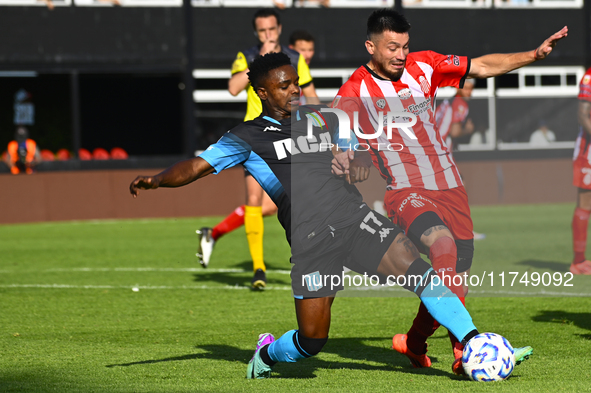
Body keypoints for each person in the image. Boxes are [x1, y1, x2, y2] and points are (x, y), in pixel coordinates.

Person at [130, 52, 507, 380]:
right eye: (284, 86)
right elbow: (196, 167)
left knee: (421, 272)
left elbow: (355, 151)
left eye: (296, 83)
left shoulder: (325, 118)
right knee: (312, 340)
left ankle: (475, 341)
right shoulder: (245, 138)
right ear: (262, 92)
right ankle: (268, 352)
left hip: (354, 219)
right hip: (312, 242)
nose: (294, 90)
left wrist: (356, 163)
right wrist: (157, 180)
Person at [331, 9, 563, 373]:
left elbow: (483, 66)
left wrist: (532, 56)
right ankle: (467, 351)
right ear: (370, 46)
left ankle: (414, 343)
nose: (400, 55)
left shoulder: (426, 65)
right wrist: (345, 154)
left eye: (405, 46)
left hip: (453, 188)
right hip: (406, 190)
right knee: (442, 246)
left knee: (454, 281)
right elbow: (336, 126)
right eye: (392, 47)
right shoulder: (354, 90)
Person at [197, 9, 319, 290]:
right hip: (257, 138)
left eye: (272, 30)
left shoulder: (294, 59)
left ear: (279, 28)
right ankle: (258, 269)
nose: (268, 35)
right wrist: (258, 60)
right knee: (254, 200)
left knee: (301, 198)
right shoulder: (246, 55)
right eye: (262, 31)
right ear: (257, 33)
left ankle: (313, 256)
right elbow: (232, 88)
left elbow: (309, 93)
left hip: (291, 137)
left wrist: (320, 120)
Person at [434, 80, 485, 241]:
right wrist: (467, 130)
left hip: (434, 150)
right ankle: (463, 231)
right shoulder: (459, 103)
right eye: (467, 87)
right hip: (440, 152)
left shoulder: (448, 102)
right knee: (460, 189)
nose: (470, 91)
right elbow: (455, 131)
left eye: (471, 88)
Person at [570, 67, 591, 274]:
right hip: (588, 150)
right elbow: (583, 115)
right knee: (585, 203)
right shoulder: (589, 77)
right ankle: (578, 261)